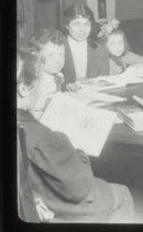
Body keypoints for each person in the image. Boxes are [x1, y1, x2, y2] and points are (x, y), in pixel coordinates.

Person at [17, 36, 134, 223]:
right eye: (39, 82)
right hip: (55, 206)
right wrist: (78, 151)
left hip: (35, 196)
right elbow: (79, 188)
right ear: (23, 88)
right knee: (123, 193)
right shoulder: (40, 136)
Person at [60, 4, 111, 91]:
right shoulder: (58, 48)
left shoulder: (100, 49)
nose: (82, 29)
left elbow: (104, 80)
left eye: (86, 24)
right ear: (67, 25)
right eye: (76, 24)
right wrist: (66, 85)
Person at [27, 29, 67, 100]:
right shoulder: (33, 83)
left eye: (61, 54)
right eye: (51, 55)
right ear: (35, 56)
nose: (58, 60)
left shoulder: (58, 76)